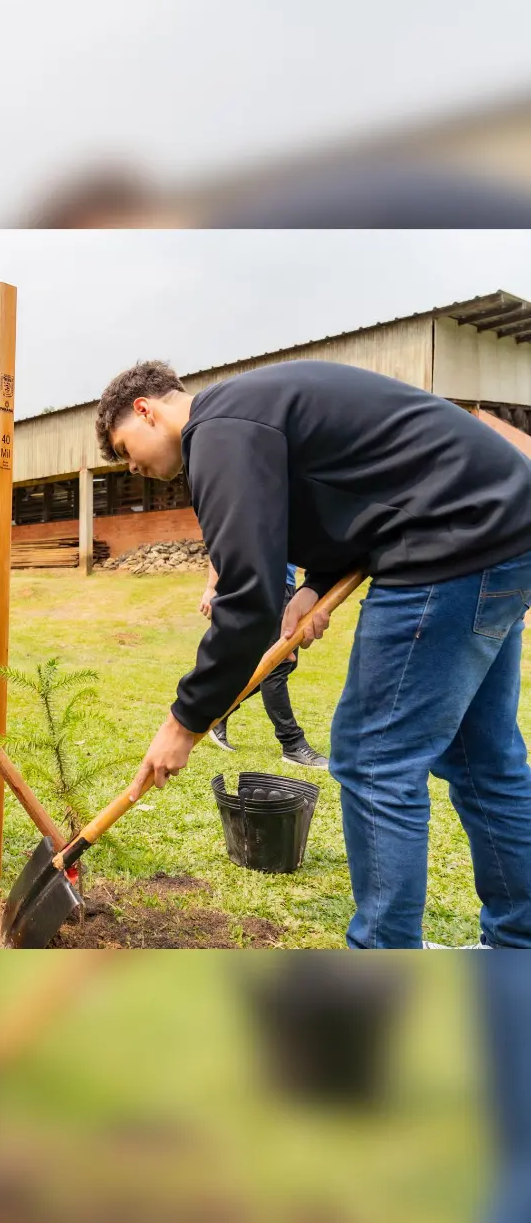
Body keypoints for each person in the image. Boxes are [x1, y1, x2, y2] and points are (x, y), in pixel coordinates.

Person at [98, 358, 531, 949]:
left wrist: (187, 718)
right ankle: (517, 945)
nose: (135, 468)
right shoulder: (252, 410)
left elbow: (245, 596)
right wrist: (311, 587)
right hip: (503, 529)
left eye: (125, 449)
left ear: (146, 409)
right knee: (483, 759)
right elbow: (360, 486)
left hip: (449, 546)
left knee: (375, 760)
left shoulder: (218, 429)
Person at [200, 560, 327, 768]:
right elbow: (221, 538)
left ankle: (219, 713)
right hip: (269, 586)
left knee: (272, 664)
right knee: (278, 666)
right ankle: (293, 743)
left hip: (277, 585)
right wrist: (212, 588)